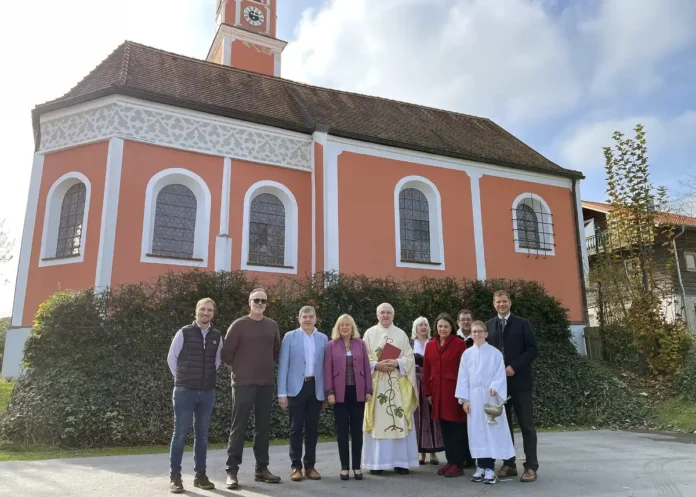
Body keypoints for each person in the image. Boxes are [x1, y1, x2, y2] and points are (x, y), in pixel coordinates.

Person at [221, 288, 282, 489]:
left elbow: (275, 351)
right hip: (242, 384)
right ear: (249, 302)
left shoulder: (272, 326)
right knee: (238, 427)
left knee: (262, 428)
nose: (260, 303)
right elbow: (227, 355)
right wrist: (240, 370)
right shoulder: (238, 325)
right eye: (256, 300)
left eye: (263, 300)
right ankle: (232, 471)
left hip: (265, 384)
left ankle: (261, 469)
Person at [166, 297, 223, 494]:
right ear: (196, 311)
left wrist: (203, 379)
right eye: (202, 309)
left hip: (207, 391)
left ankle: (200, 476)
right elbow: (172, 358)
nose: (205, 313)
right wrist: (183, 378)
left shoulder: (217, 335)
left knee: (202, 436)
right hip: (184, 391)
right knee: (180, 434)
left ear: (213, 313)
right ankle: (175, 477)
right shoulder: (184, 332)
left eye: (209, 310)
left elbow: (217, 362)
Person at [485, 290, 539, 482]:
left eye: (504, 301)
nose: (501, 304)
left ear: (510, 303)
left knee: (526, 426)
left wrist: (514, 366)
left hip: (520, 383)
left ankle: (531, 466)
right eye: (498, 302)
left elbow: (533, 349)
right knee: (504, 426)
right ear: (494, 304)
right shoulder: (488, 325)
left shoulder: (523, 324)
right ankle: (509, 464)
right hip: (499, 386)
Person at [455, 320, 515, 485]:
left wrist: (495, 387)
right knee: (476, 432)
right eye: (474, 331)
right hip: (473, 397)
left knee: (489, 432)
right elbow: (463, 377)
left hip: (489, 397)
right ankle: (480, 466)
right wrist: (464, 399)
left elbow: (500, 374)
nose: (477, 334)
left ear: (486, 334)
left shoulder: (495, 353)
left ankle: (489, 468)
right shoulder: (467, 354)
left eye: (480, 331)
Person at [362, 303, 419, 475]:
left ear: (393, 315)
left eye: (388, 313)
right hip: (377, 385)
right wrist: (376, 365)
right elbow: (363, 358)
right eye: (382, 312)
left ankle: (401, 462)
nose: (385, 315)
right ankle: (376, 463)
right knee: (378, 421)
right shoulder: (369, 333)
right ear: (377, 315)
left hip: (397, 385)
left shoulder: (400, 334)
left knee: (398, 419)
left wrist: (398, 363)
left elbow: (410, 358)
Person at [277, 305, 328, 482]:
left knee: (313, 429)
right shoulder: (290, 337)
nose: (307, 319)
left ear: (315, 319)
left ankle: (310, 466)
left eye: (310, 316)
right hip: (295, 389)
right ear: (299, 319)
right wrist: (282, 393)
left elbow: (325, 367)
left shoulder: (323, 338)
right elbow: (283, 365)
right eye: (304, 316)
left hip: (315, 387)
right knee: (295, 428)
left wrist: (326, 391)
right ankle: (295, 467)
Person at [324, 314, 373, 480]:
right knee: (342, 432)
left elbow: (367, 368)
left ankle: (357, 467)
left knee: (357, 431)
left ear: (353, 327)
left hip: (358, 393)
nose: (345, 327)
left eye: (348, 325)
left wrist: (368, 389)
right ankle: (344, 467)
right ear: (337, 328)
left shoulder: (361, 344)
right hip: (340, 393)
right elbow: (327, 370)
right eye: (342, 325)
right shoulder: (331, 345)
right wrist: (330, 391)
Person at [423, 313, 468, 478]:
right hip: (437, 393)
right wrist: (428, 393)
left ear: (452, 328)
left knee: (456, 428)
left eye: (446, 326)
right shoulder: (430, 344)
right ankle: (450, 461)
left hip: (454, 392)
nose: (442, 329)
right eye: (440, 326)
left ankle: (458, 463)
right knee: (444, 428)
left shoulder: (459, 344)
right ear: (436, 327)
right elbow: (427, 369)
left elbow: (465, 370)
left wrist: (464, 393)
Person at [410, 317, 443, 465]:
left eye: (425, 324)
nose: (423, 327)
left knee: (432, 415)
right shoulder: (410, 344)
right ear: (415, 328)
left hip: (431, 381)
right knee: (418, 416)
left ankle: (433, 453)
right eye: (420, 325)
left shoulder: (434, 343)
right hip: (415, 382)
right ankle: (421, 452)